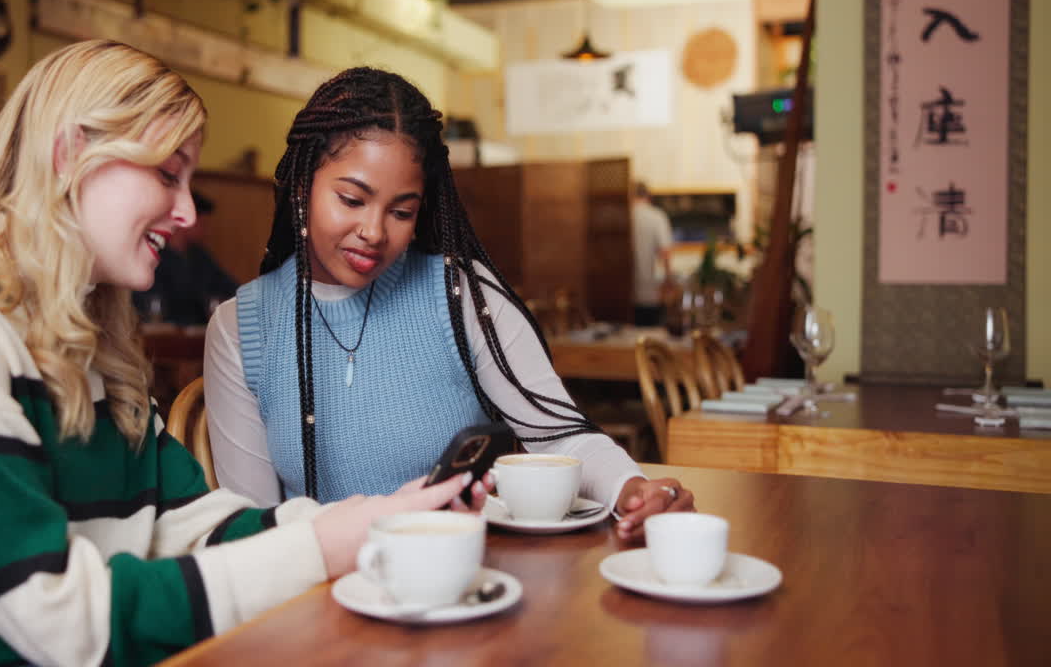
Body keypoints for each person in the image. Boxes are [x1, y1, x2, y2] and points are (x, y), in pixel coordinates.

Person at [0, 41, 473, 666]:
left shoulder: (74, 334)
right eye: (166, 176)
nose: (187, 215)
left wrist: (373, 523)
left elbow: (194, 524)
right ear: (69, 155)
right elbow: (53, 619)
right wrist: (322, 549)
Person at [204, 67, 694, 542]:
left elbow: (560, 437)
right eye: (352, 200)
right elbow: (252, 529)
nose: (374, 232)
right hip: (320, 600)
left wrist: (631, 489)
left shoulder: (463, 296)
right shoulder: (241, 327)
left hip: (458, 583)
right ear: (301, 185)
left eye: (402, 211)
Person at [133, 190, 238, 325]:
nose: (205, 230)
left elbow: (233, 289)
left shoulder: (201, 257)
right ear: (186, 221)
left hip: (197, 335)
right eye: (202, 223)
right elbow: (147, 303)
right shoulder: (154, 254)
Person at [630, 180, 675, 327]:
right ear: (649, 196)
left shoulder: (623, 216)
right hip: (649, 292)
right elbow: (665, 253)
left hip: (621, 293)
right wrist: (668, 281)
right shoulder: (657, 217)